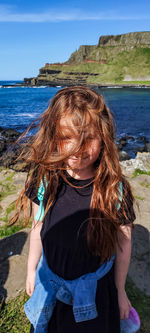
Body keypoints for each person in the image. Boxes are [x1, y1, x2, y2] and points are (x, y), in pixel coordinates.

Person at [12, 86, 136, 333]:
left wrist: (120, 291)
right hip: (52, 287)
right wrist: (31, 270)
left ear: (104, 136)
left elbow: (123, 244)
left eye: (88, 137)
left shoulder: (114, 189)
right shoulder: (45, 178)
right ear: (52, 135)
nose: (78, 148)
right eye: (66, 137)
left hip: (96, 292)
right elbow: (38, 227)